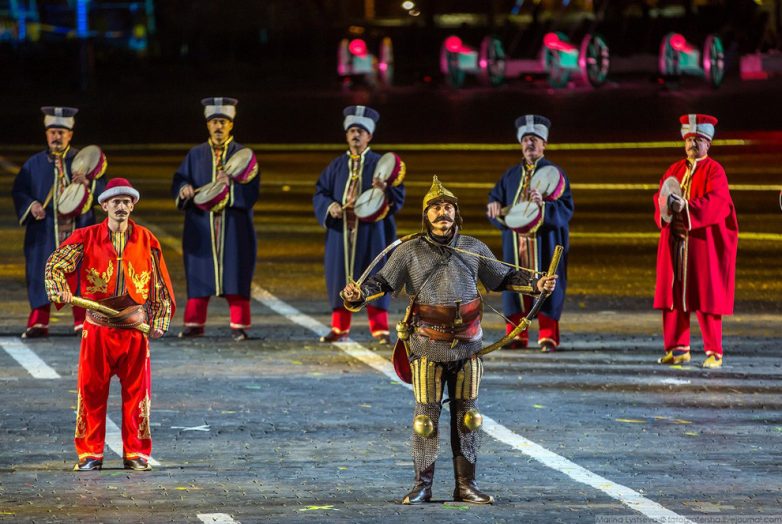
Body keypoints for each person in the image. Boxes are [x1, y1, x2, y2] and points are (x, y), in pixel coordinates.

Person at [341, 176, 557, 505]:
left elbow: (503, 278)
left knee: (468, 417)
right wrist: (358, 294)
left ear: (456, 213)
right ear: (425, 216)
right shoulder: (409, 252)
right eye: (436, 208)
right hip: (427, 344)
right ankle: (422, 485)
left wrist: (535, 285)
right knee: (425, 419)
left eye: (448, 208)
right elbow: (382, 282)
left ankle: (465, 486)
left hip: (469, 346)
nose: (443, 213)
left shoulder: (473, 248)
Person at [44, 178, 175, 471]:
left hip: (133, 330)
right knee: (91, 391)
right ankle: (90, 453)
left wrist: (160, 318)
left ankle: (136, 453)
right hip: (98, 330)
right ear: (104, 206)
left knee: (137, 393)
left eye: (127, 202)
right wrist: (60, 288)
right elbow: (55, 264)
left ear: (133, 206)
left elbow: (158, 281)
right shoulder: (85, 236)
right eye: (116, 202)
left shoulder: (146, 239)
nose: (122, 207)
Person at [12, 106, 107, 338]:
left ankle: (81, 321)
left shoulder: (82, 160)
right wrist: (31, 205)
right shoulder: (33, 165)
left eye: (61, 133)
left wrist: (89, 183)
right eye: (52, 132)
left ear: (70, 135)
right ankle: (39, 321)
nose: (56, 136)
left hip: (78, 229)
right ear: (46, 134)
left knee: (80, 271)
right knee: (40, 271)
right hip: (44, 231)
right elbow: (20, 192)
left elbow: (103, 191)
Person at [313, 105, 405, 344]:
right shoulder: (335, 166)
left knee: (375, 274)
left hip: (371, 231)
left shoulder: (380, 163)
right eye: (352, 130)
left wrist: (385, 190)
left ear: (369, 136)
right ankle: (339, 328)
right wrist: (329, 206)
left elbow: (398, 196)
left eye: (361, 132)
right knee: (339, 276)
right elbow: (320, 192)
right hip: (341, 231)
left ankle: (380, 329)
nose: (356, 135)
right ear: (346, 134)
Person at [653, 114, 738, 369]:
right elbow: (661, 197)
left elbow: (719, 203)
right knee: (673, 296)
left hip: (702, 244)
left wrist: (687, 207)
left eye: (698, 140)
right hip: (675, 242)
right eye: (689, 140)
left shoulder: (715, 170)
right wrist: (667, 205)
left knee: (706, 299)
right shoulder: (674, 170)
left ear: (708, 143)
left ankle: (714, 351)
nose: (692, 145)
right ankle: (678, 348)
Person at [172, 97, 260, 341]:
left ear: (231, 124)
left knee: (236, 272)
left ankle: (239, 325)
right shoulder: (195, 154)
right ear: (207, 126)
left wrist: (228, 189)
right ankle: (194, 323)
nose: (218, 127)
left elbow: (252, 192)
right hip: (201, 224)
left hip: (234, 225)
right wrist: (184, 189)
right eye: (214, 122)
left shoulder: (243, 155)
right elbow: (179, 179)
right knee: (200, 273)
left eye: (223, 122)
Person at [487, 115, 573, 352]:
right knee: (514, 284)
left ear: (544, 144)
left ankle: (547, 336)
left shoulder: (555, 174)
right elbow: (496, 200)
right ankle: (516, 335)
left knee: (548, 286)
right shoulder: (511, 175)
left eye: (534, 139)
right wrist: (494, 208)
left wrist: (544, 206)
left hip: (545, 240)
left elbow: (566, 208)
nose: (529, 144)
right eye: (525, 140)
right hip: (516, 243)